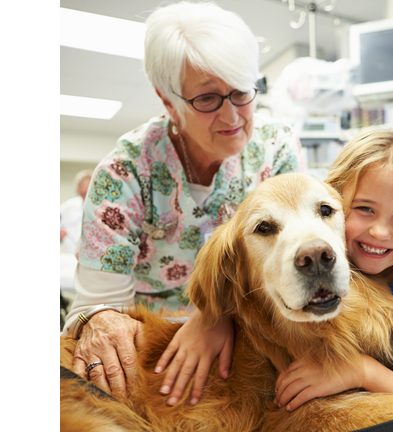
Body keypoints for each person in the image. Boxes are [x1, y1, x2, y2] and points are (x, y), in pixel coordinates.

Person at [61, 1, 304, 402]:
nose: (232, 117)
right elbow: (98, 307)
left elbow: (290, 265)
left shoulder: (276, 148)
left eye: (242, 92)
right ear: (167, 100)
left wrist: (218, 315)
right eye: (208, 99)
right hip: (160, 354)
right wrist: (104, 321)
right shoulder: (125, 173)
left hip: (255, 335)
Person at [157, 127, 393, 410]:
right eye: (364, 209)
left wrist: (360, 370)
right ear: (344, 200)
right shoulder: (352, 249)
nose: (378, 232)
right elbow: (223, 282)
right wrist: (210, 317)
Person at [60, 169, 92, 253]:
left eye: (86, 194)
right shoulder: (67, 207)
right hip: (70, 257)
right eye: (80, 194)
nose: (83, 198)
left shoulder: (105, 208)